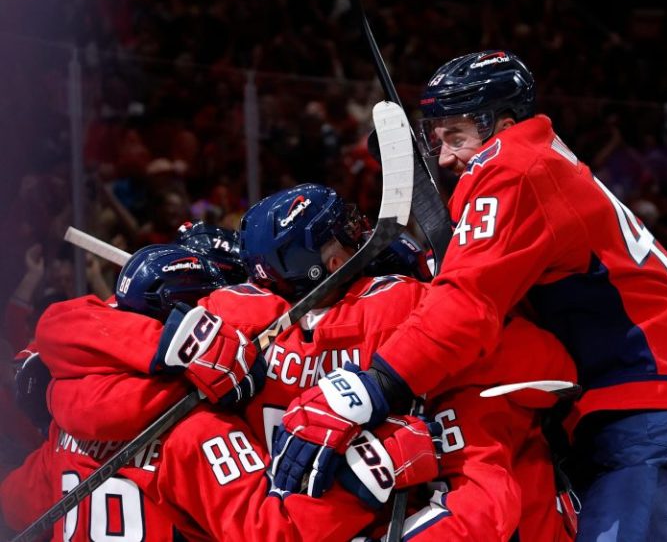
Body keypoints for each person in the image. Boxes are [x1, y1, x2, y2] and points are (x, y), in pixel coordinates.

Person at [271, 52, 667, 542]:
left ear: (501, 124)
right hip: (616, 394)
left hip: (647, 401)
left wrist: (378, 384)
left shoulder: (513, 167)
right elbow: (489, 275)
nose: (444, 156)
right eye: (437, 137)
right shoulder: (534, 156)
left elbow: (467, 305)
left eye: (456, 136)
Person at [37, 184, 579, 541]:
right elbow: (551, 367)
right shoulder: (404, 306)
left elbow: (62, 344)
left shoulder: (229, 317)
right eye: (346, 231)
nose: (362, 232)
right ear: (329, 262)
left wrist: (162, 348)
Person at [2, 243, 438, 541]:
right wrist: (370, 475)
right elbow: (272, 535)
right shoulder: (197, 431)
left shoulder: (64, 428)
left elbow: (14, 507)